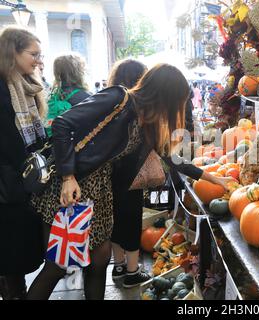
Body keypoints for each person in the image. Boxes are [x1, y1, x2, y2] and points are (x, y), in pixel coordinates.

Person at [28, 63, 235, 300]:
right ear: (165, 95)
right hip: (71, 188)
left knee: (99, 262)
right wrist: (67, 176)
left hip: (100, 192)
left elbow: (172, 158)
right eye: (178, 101)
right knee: (57, 266)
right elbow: (62, 124)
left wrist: (213, 177)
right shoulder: (118, 98)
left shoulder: (148, 120)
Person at [0, 27, 46, 300]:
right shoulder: (3, 87)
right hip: (8, 183)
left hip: (21, 180)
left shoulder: (24, 84)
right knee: (11, 251)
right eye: (34, 54)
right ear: (12, 52)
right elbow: (8, 138)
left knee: (17, 250)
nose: (39, 60)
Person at [106, 58, 151, 287]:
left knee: (114, 218)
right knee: (132, 218)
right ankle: (132, 273)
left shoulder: (110, 100)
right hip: (132, 171)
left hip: (109, 170)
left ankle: (119, 266)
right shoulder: (137, 105)